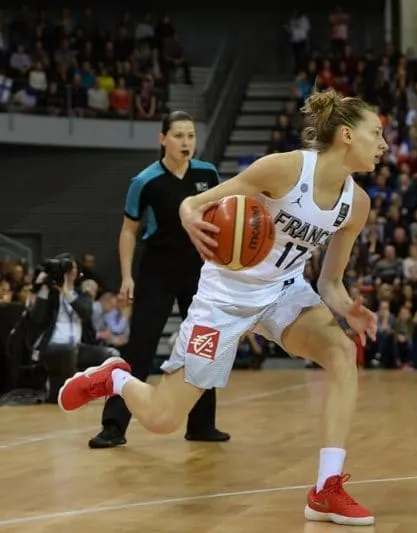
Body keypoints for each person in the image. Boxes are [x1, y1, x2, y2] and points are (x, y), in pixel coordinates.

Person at [58, 88, 384, 526]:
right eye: (376, 133)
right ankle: (114, 378)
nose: (383, 145)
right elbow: (195, 203)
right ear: (346, 135)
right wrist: (191, 215)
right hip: (224, 298)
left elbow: (329, 281)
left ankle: (326, 489)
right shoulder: (285, 169)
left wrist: (347, 309)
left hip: (284, 293)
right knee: (162, 419)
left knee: (342, 352)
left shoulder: (356, 205)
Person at [88, 111, 230, 448]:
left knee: (204, 343)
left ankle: (202, 424)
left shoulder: (207, 173)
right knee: (140, 345)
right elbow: (128, 231)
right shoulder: (145, 181)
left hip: (199, 269)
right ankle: (113, 426)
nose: (186, 142)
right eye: (178, 135)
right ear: (163, 139)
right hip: (157, 269)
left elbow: (221, 217)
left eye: (190, 135)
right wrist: (127, 276)